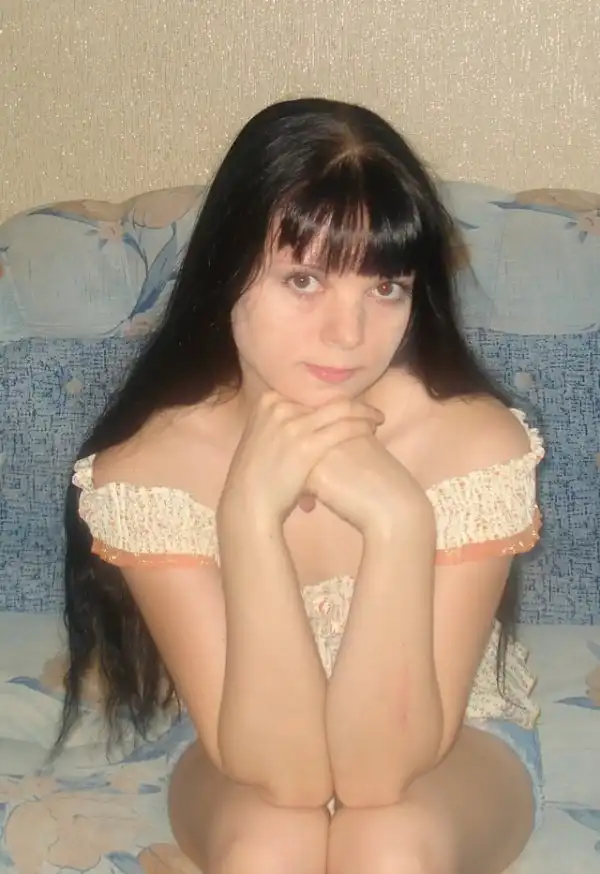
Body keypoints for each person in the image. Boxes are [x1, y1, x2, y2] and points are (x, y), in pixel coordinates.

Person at [57, 98, 545, 874]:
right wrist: (248, 515)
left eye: (385, 288)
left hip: (451, 734)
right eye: (304, 278)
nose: (348, 336)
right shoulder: (148, 472)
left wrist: (399, 523)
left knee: (386, 847)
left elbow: (379, 777)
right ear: (225, 271)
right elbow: (285, 777)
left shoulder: (472, 444)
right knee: (268, 849)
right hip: (242, 737)